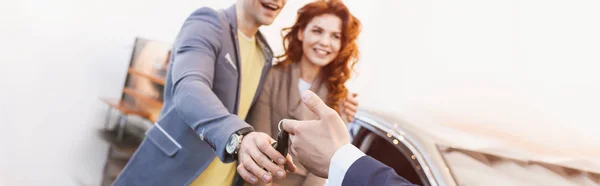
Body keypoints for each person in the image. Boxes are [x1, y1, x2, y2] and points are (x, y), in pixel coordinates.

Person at [113, 0, 298, 185]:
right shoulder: (207, 23)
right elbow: (189, 86)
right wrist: (238, 137)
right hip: (172, 176)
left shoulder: (264, 53)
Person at [245, 0, 361, 185]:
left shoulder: (338, 94)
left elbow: (325, 165)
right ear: (300, 33)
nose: (325, 42)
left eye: (335, 36)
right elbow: (260, 146)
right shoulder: (272, 76)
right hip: (261, 178)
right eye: (317, 31)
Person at [274, 90, 417, 186]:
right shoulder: (276, 75)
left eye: (337, 41)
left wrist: (339, 158)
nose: (326, 43)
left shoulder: (341, 95)